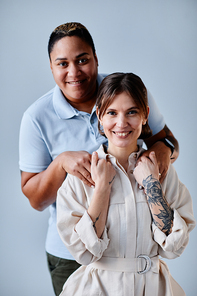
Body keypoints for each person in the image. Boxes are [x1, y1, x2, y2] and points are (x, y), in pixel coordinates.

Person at [19, 22, 179, 295]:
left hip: (131, 253)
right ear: (51, 66)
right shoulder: (36, 118)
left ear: (95, 58)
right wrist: (60, 164)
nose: (74, 72)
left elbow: (169, 143)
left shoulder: (128, 92)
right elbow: (36, 200)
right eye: (62, 63)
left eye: (82, 60)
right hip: (71, 254)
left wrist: (162, 149)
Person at [57, 72, 195, 296]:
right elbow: (83, 252)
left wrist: (151, 184)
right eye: (112, 112)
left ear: (145, 115)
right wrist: (102, 188)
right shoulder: (80, 177)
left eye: (131, 112)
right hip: (97, 289)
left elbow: (174, 247)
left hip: (154, 289)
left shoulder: (163, 172)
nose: (121, 123)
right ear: (100, 115)